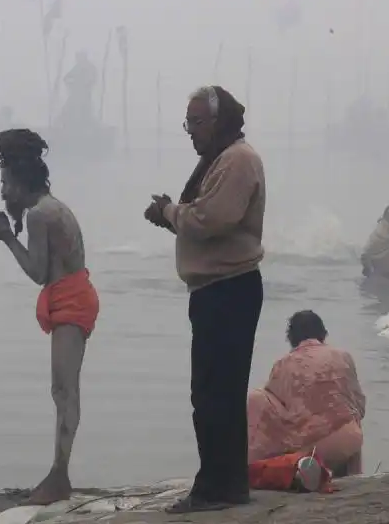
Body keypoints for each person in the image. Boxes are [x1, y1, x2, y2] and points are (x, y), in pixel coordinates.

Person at [144, 85, 265, 513]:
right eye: (188, 122)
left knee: (216, 394)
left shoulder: (237, 160)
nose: (190, 131)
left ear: (219, 121)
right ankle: (223, 483)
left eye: (197, 122)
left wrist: (169, 213)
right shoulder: (220, 159)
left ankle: (217, 487)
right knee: (215, 392)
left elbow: (211, 218)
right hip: (216, 289)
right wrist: (174, 216)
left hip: (229, 288)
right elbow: (201, 216)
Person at [0, 129, 99, 505]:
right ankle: (57, 473)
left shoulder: (40, 215)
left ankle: (59, 477)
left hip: (72, 301)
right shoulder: (46, 208)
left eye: (5, 184)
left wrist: (5, 237)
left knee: (65, 390)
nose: (3, 193)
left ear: (19, 182)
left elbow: (38, 272)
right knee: (62, 390)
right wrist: (6, 231)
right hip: (70, 297)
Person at [247, 311, 366, 477]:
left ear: (292, 337)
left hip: (307, 451)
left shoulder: (283, 365)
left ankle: (253, 468)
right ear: (323, 334)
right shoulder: (344, 357)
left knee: (258, 400)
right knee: (350, 412)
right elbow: (360, 406)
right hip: (347, 443)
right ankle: (351, 475)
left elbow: (276, 413)